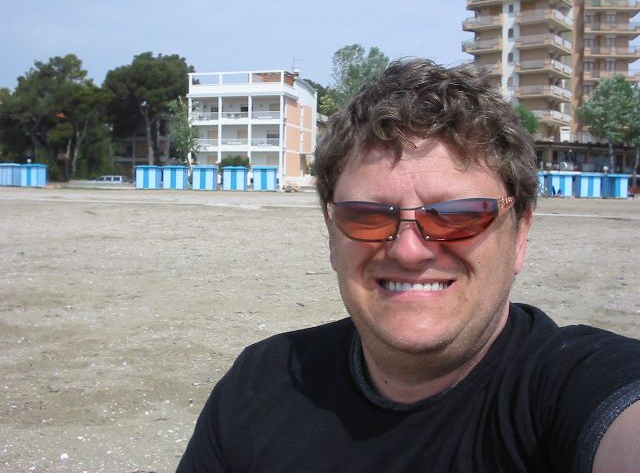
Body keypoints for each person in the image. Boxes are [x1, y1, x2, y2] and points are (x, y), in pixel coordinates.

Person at [177, 59, 640, 472]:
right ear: (333, 235)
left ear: (519, 233)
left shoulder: (571, 385)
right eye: (368, 216)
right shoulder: (260, 382)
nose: (409, 251)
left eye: (459, 215)